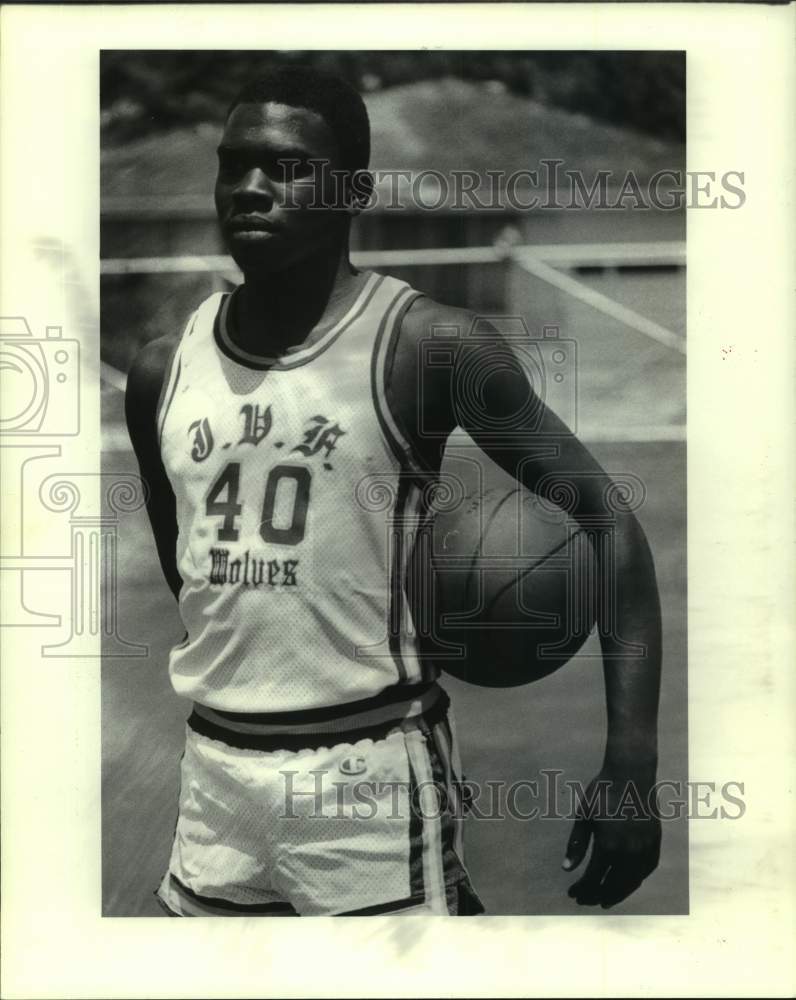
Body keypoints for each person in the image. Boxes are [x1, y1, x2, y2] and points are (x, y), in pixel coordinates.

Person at [125, 65, 662, 917]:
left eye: (289, 167)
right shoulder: (163, 368)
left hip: (367, 779)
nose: (252, 188)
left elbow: (608, 517)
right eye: (235, 164)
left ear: (355, 191)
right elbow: (191, 580)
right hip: (216, 782)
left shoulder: (426, 347)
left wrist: (631, 762)